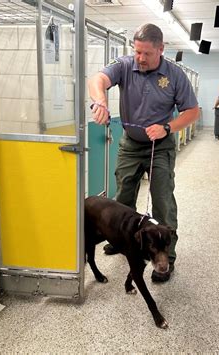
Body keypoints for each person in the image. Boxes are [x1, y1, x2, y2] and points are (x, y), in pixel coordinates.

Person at [88, 23, 199, 282]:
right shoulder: (125, 65)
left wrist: (167, 128)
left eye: (147, 53)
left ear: (161, 49)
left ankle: (165, 257)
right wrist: (100, 100)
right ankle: (123, 241)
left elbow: (193, 112)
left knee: (161, 199)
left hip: (160, 146)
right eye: (137, 51)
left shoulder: (175, 75)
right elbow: (98, 80)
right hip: (130, 143)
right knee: (123, 196)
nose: (141, 58)